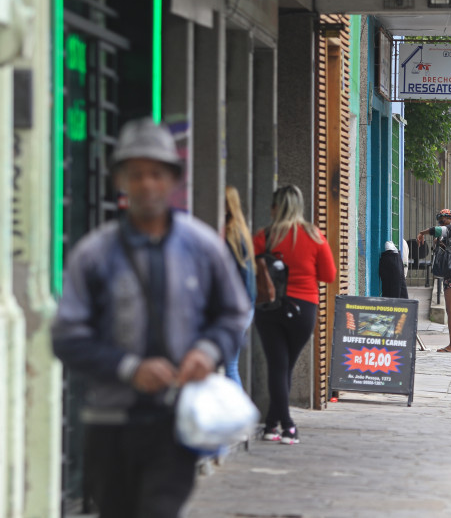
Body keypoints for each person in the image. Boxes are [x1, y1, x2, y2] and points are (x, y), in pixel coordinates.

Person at [52, 118, 251, 518]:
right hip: (110, 422)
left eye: (156, 174)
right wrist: (128, 368)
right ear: (120, 180)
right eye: (136, 174)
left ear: (173, 179)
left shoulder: (202, 247)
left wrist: (207, 350)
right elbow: (67, 336)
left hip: (174, 420)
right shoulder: (94, 254)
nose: (146, 184)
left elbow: (235, 312)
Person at [253, 185, 336, 444]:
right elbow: (329, 275)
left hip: (270, 308)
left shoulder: (265, 237)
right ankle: (283, 425)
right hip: (303, 309)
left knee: (278, 366)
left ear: (275, 208)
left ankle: (274, 425)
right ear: (300, 207)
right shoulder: (314, 236)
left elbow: (251, 270)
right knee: (285, 367)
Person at [417, 208, 451, 353]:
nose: (441, 223)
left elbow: (435, 230)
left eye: (443, 220)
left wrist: (421, 233)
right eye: (440, 221)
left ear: (450, 219)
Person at [224, 186, 257, 387]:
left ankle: (236, 405)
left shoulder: (231, 234)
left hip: (237, 307)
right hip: (244, 306)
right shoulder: (241, 231)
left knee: (229, 365)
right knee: (230, 364)